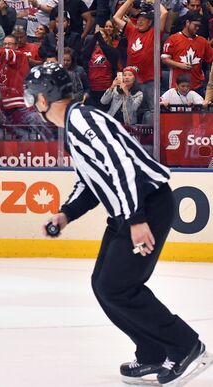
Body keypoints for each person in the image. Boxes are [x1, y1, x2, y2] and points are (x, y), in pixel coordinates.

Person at [26, 61, 209, 386]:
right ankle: (151, 352)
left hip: (146, 205)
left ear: (42, 100)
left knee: (118, 287)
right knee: (104, 284)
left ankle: (185, 346)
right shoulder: (75, 125)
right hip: (132, 208)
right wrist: (65, 213)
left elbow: (120, 165)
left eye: (33, 98)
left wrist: (137, 219)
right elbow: (91, 181)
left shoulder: (81, 120)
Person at [162, 12, 213, 96]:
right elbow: (165, 59)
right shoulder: (173, 39)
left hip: (197, 86)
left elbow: (211, 58)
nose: (197, 28)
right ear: (187, 22)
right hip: (177, 86)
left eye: (199, 26)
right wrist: (179, 65)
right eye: (195, 25)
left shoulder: (202, 41)